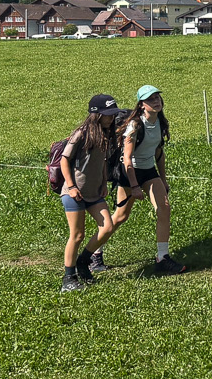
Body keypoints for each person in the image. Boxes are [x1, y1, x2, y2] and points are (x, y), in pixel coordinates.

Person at [113, 84, 186, 274]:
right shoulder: (134, 125)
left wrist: (163, 179)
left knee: (164, 208)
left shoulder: (160, 122)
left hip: (149, 170)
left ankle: (162, 257)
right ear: (141, 105)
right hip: (130, 172)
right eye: (150, 99)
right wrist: (134, 186)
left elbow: (158, 152)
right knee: (121, 216)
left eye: (157, 98)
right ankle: (96, 252)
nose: (156, 101)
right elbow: (127, 159)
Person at [57, 94, 122, 291]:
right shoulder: (81, 134)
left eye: (113, 114)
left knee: (107, 227)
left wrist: (104, 182)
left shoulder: (106, 134)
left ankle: (83, 261)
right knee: (77, 235)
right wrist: (71, 186)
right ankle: (68, 279)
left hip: (94, 193)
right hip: (74, 193)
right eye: (107, 114)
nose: (111, 118)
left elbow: (102, 162)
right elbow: (64, 160)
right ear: (96, 114)